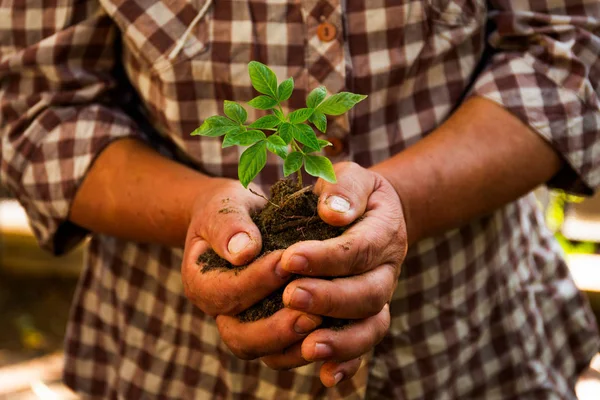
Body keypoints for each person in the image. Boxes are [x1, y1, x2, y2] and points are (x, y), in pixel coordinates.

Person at [1, 0, 599, 397]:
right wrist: (195, 208)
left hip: (471, 340)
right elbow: (41, 108)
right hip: (174, 358)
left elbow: (567, 54)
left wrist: (395, 204)